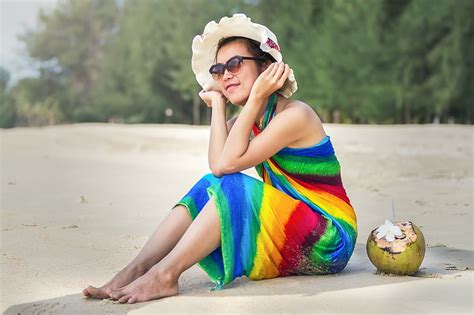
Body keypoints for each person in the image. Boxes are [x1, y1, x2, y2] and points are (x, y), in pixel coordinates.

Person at [82, 13, 357, 304]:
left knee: (233, 185)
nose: (226, 75)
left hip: (329, 240)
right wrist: (218, 105)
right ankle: (135, 269)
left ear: (266, 68)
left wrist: (253, 100)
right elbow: (217, 167)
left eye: (235, 64)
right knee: (210, 183)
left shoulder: (295, 115)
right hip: (295, 227)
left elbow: (228, 167)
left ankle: (164, 275)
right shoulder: (250, 121)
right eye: (218, 69)